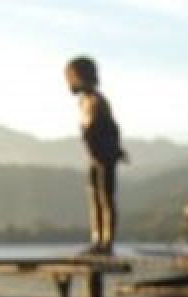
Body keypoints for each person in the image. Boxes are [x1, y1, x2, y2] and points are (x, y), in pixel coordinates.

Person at [65, 56, 126, 255]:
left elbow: (112, 128)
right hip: (94, 157)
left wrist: (114, 150)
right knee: (94, 199)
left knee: (106, 198)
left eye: (70, 78)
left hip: (104, 156)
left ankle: (107, 242)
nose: (68, 84)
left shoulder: (98, 101)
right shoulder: (83, 102)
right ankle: (97, 239)